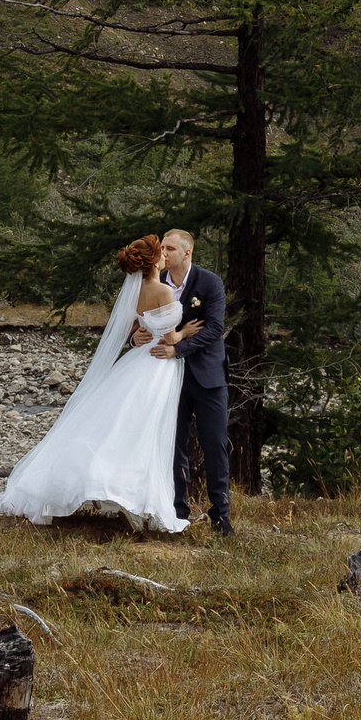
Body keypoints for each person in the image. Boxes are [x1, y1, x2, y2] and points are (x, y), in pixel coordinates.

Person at [0, 234, 200, 532]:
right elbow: (169, 338)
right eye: (161, 252)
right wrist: (185, 332)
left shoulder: (136, 290)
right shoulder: (163, 291)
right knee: (147, 431)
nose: (166, 255)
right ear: (154, 261)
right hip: (157, 366)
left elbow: (131, 324)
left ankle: (122, 495)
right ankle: (133, 499)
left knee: (124, 427)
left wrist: (138, 333)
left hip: (138, 360)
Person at [135, 228, 229, 535]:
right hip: (164, 376)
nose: (163, 253)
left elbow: (214, 328)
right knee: (173, 444)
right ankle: (177, 512)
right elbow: (136, 322)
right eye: (162, 247)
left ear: (187, 253)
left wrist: (178, 349)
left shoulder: (210, 283)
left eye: (170, 248)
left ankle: (221, 515)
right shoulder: (154, 281)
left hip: (207, 375)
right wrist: (136, 338)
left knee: (214, 444)